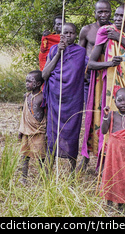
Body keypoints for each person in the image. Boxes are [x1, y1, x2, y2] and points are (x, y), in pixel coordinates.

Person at [81, 5, 125, 184]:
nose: (117, 19)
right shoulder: (106, 33)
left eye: (122, 16)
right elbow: (91, 64)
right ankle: (109, 175)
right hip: (113, 92)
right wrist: (109, 63)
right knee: (113, 131)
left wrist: (121, 39)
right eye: (116, 15)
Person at [42, 23, 86, 175]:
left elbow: (81, 72)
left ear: (76, 35)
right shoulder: (54, 49)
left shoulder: (80, 52)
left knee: (72, 133)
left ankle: (73, 173)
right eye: (65, 33)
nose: (68, 36)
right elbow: (45, 74)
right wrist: (58, 54)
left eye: (71, 33)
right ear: (60, 34)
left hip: (73, 100)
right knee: (52, 133)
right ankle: (47, 172)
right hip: (55, 98)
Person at [79, 0, 111, 104]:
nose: (103, 15)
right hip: (90, 71)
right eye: (100, 12)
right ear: (95, 13)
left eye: (106, 12)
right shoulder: (87, 30)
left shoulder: (115, 30)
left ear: (111, 13)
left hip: (109, 70)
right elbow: (80, 53)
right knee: (90, 103)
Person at [18, 70, 47, 185]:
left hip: (39, 131)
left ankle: (43, 177)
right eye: (26, 81)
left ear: (38, 84)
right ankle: (23, 177)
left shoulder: (43, 97)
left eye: (29, 82)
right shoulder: (27, 96)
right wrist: (21, 130)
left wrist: (48, 131)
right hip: (26, 130)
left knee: (41, 157)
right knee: (25, 155)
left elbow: (47, 114)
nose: (26, 84)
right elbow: (24, 115)